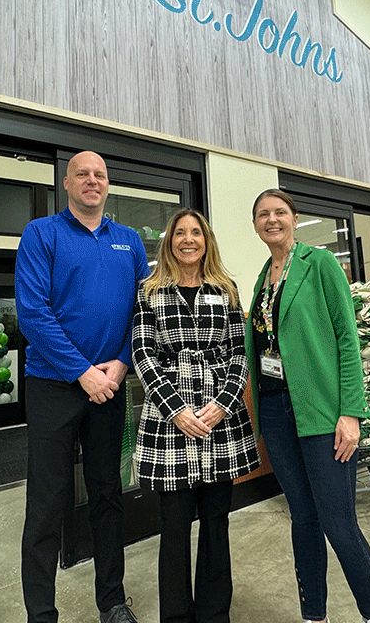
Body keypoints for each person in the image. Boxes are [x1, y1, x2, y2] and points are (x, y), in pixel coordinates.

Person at [16, 151, 149, 623]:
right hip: (54, 386)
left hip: (110, 387)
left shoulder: (129, 241)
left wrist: (122, 363)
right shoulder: (41, 234)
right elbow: (33, 313)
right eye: (83, 175)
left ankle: (112, 603)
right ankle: (41, 614)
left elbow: (147, 313)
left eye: (101, 175)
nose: (93, 181)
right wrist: (82, 372)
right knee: (47, 502)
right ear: (67, 183)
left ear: (107, 185)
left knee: (107, 494)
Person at [245, 189, 370, 623]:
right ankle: (314, 615)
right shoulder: (262, 278)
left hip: (322, 411)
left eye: (280, 212)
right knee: (302, 519)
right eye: (263, 214)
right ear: (255, 225)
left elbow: (348, 338)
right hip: (275, 409)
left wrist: (351, 413)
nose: (272, 220)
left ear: (295, 217)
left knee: (338, 524)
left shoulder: (320, 264)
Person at [131, 209, 259, 623]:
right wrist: (176, 410)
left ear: (207, 241)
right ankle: (176, 617)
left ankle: (213, 613)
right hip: (170, 426)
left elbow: (241, 355)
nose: (188, 239)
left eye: (196, 233)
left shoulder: (227, 290)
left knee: (217, 523)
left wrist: (223, 404)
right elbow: (142, 354)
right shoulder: (149, 291)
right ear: (169, 242)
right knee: (173, 530)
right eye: (180, 233)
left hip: (221, 422)